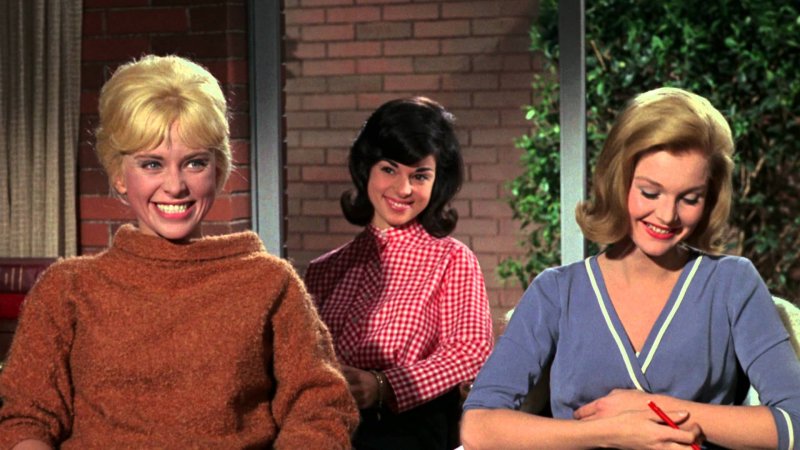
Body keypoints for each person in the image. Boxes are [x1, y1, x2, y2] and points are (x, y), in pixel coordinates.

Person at [0, 54, 358, 449]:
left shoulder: (269, 282)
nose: (175, 186)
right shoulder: (66, 288)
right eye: (152, 164)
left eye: (194, 163)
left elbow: (321, 408)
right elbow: (26, 420)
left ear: (218, 170)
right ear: (119, 175)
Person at [461, 87, 800, 449]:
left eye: (690, 198)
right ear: (617, 181)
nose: (667, 216)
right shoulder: (556, 292)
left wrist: (652, 408)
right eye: (650, 193)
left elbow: (794, 421)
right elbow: (479, 426)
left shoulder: (732, 283)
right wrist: (612, 431)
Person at [304, 97, 494, 449]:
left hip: (411, 432)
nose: (404, 189)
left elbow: (471, 351)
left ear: (438, 182)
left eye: (419, 176)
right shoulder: (324, 270)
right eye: (389, 170)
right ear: (366, 169)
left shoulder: (451, 259)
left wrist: (384, 386)